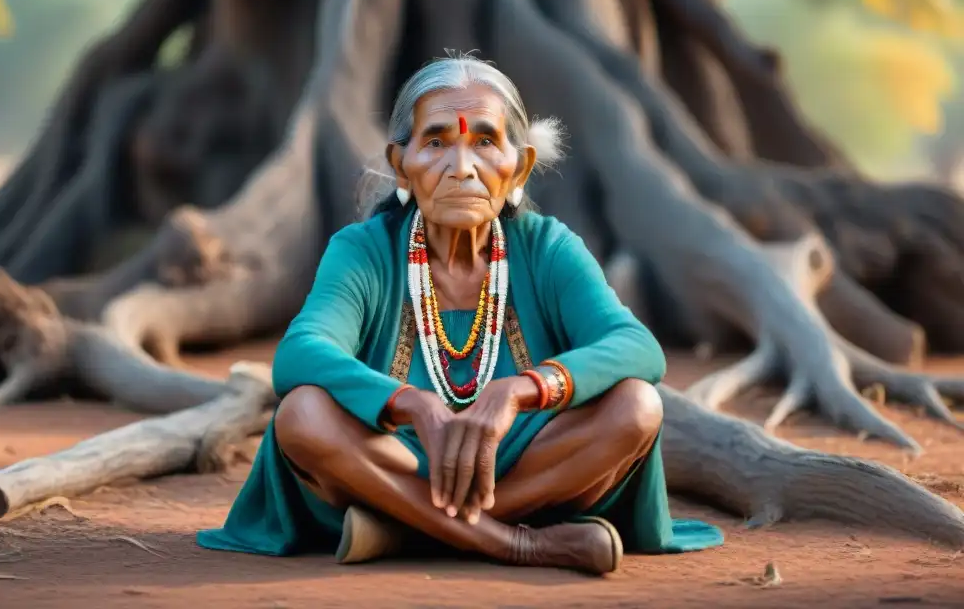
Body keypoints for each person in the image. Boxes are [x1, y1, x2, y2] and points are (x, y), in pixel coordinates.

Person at [197, 54, 724, 573]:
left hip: (515, 460)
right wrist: (415, 407)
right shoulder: (364, 251)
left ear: (519, 166)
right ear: (401, 164)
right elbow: (301, 353)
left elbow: (636, 346)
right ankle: (517, 544)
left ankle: (404, 529)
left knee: (637, 406)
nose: (462, 168)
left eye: (485, 142)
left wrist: (520, 390)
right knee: (302, 415)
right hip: (393, 456)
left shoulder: (548, 248)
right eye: (436, 142)